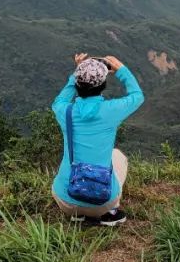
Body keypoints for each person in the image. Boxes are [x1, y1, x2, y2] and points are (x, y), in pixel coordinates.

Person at [51, 52, 144, 226]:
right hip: (102, 203)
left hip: (66, 201)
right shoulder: (111, 110)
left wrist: (77, 71)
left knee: (69, 162)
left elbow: (59, 100)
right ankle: (110, 212)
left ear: (77, 85)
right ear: (103, 85)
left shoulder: (65, 112)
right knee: (118, 157)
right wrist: (122, 70)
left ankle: (79, 214)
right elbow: (137, 96)